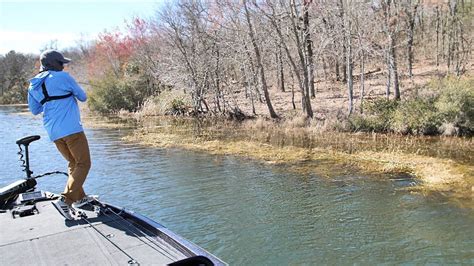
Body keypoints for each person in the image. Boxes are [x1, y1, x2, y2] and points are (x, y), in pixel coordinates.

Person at [28, 49, 94, 220]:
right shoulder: (63, 77)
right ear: (54, 64)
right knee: (84, 163)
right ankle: (65, 200)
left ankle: (79, 198)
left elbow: (35, 110)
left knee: (73, 163)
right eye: (62, 63)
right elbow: (83, 97)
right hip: (71, 129)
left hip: (54, 133)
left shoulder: (33, 84)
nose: (64, 66)